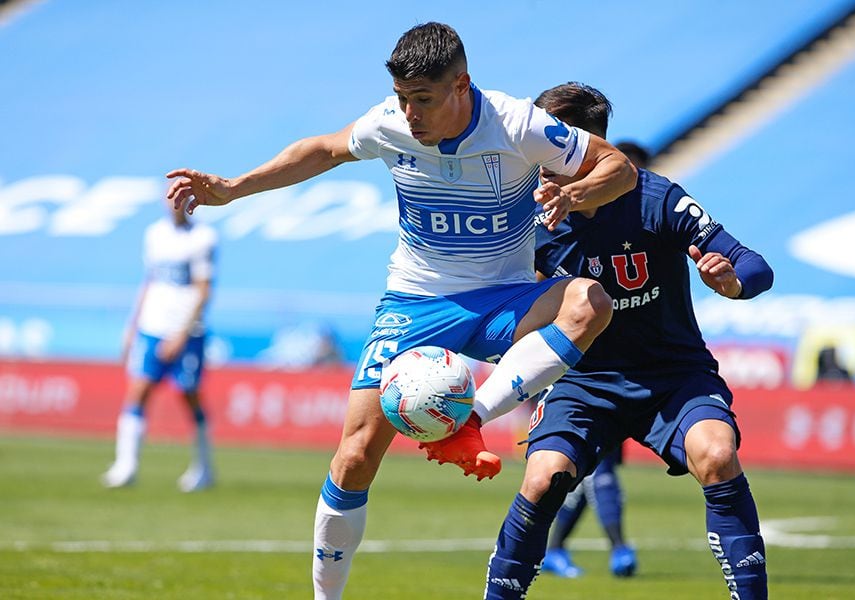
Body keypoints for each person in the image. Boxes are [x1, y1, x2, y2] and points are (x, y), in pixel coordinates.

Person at [165, 23, 637, 599]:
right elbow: (324, 148)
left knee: (590, 301)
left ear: (462, 85)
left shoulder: (517, 123)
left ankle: (468, 422)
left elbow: (620, 167)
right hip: (415, 299)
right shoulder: (389, 123)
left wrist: (576, 193)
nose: (410, 113)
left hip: (502, 298)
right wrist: (235, 188)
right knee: (354, 456)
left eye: (424, 99)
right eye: (402, 98)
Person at [483, 82, 773, 599]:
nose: (539, 157)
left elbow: (755, 267)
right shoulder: (530, 217)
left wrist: (729, 281)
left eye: (552, 143)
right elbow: (493, 303)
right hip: (584, 381)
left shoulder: (656, 197)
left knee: (717, 454)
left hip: (673, 377)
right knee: (543, 477)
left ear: (590, 146)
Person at [542, 140, 653, 580]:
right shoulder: (566, 228)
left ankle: (554, 550)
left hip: (624, 369)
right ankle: (620, 549)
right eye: (626, 174)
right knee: (596, 466)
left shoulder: (642, 224)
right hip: (581, 371)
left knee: (587, 473)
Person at [101, 192, 217, 493]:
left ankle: (203, 467)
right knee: (138, 390)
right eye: (170, 197)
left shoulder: (203, 237)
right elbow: (149, 280)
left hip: (186, 332)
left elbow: (204, 290)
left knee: (189, 394)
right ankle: (125, 466)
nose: (174, 204)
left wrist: (181, 332)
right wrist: (132, 324)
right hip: (152, 326)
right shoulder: (154, 234)